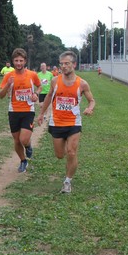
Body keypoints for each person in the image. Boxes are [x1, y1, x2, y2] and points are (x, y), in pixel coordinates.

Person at [37, 50, 95, 193]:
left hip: (74, 123)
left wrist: (89, 108)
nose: (63, 66)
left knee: (72, 152)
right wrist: (42, 113)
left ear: (74, 64)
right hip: (56, 122)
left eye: (67, 63)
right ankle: (68, 168)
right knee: (60, 155)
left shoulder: (82, 84)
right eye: (61, 64)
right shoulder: (55, 81)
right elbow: (49, 97)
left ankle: (67, 181)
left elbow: (92, 100)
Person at [0, 48, 41, 173]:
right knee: (17, 140)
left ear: (25, 61)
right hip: (13, 111)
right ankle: (23, 161)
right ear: (13, 61)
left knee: (23, 139)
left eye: (21, 61)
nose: (18, 63)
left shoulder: (32, 75)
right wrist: (8, 85)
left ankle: (28, 145)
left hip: (28, 110)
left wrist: (36, 94)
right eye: (16, 61)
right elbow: (0, 95)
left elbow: (39, 86)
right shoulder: (8, 76)